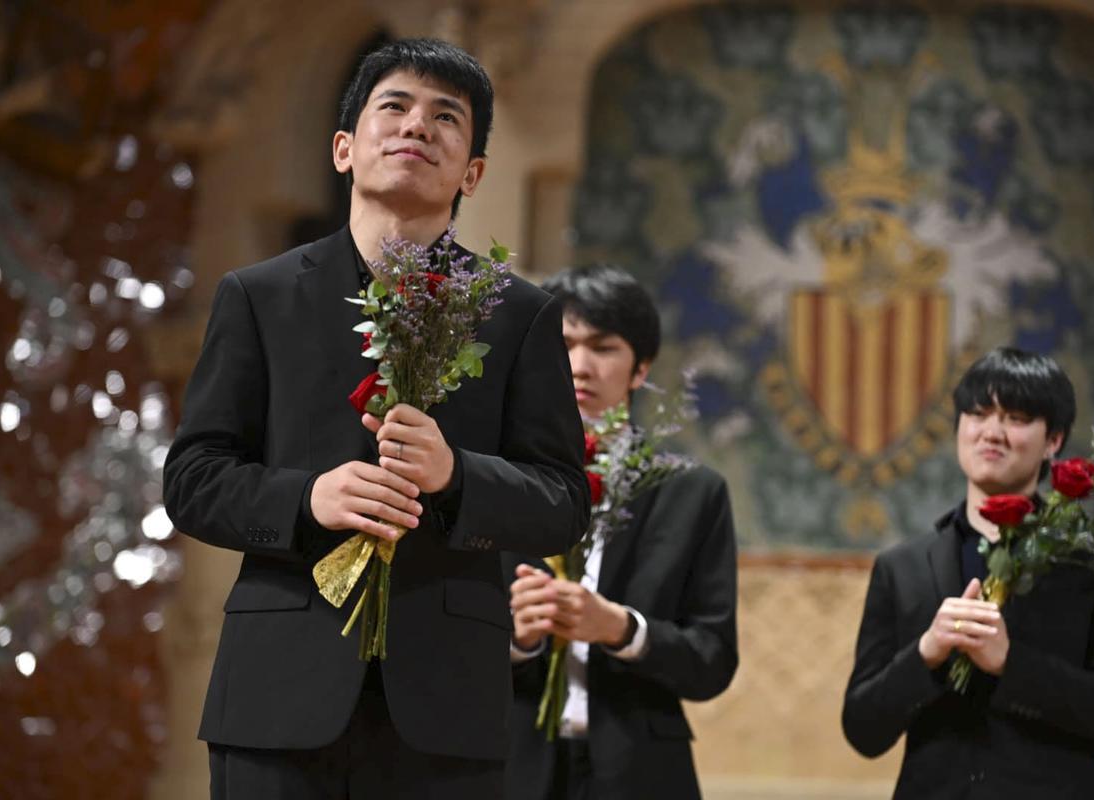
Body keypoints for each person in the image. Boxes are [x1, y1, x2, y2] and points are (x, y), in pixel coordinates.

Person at [163, 38, 590, 800]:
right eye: (394, 107)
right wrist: (306, 500)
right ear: (342, 149)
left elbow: (563, 504)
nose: (417, 126)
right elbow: (194, 479)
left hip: (447, 708)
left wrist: (459, 476)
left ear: (474, 172)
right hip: (276, 697)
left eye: (446, 118)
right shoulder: (257, 297)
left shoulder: (520, 315)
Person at [842, 347, 1094, 799]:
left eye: (1016, 417)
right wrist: (926, 653)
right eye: (978, 413)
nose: (992, 432)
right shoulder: (901, 566)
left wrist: (1012, 665)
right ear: (959, 428)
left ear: (1054, 441)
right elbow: (862, 730)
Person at [503, 265, 739, 800]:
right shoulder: (502, 479)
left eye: (603, 347)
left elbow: (713, 661)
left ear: (641, 368)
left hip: (641, 770)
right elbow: (446, 650)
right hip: (512, 764)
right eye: (563, 345)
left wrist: (622, 629)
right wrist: (517, 638)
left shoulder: (692, 492)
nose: (581, 367)